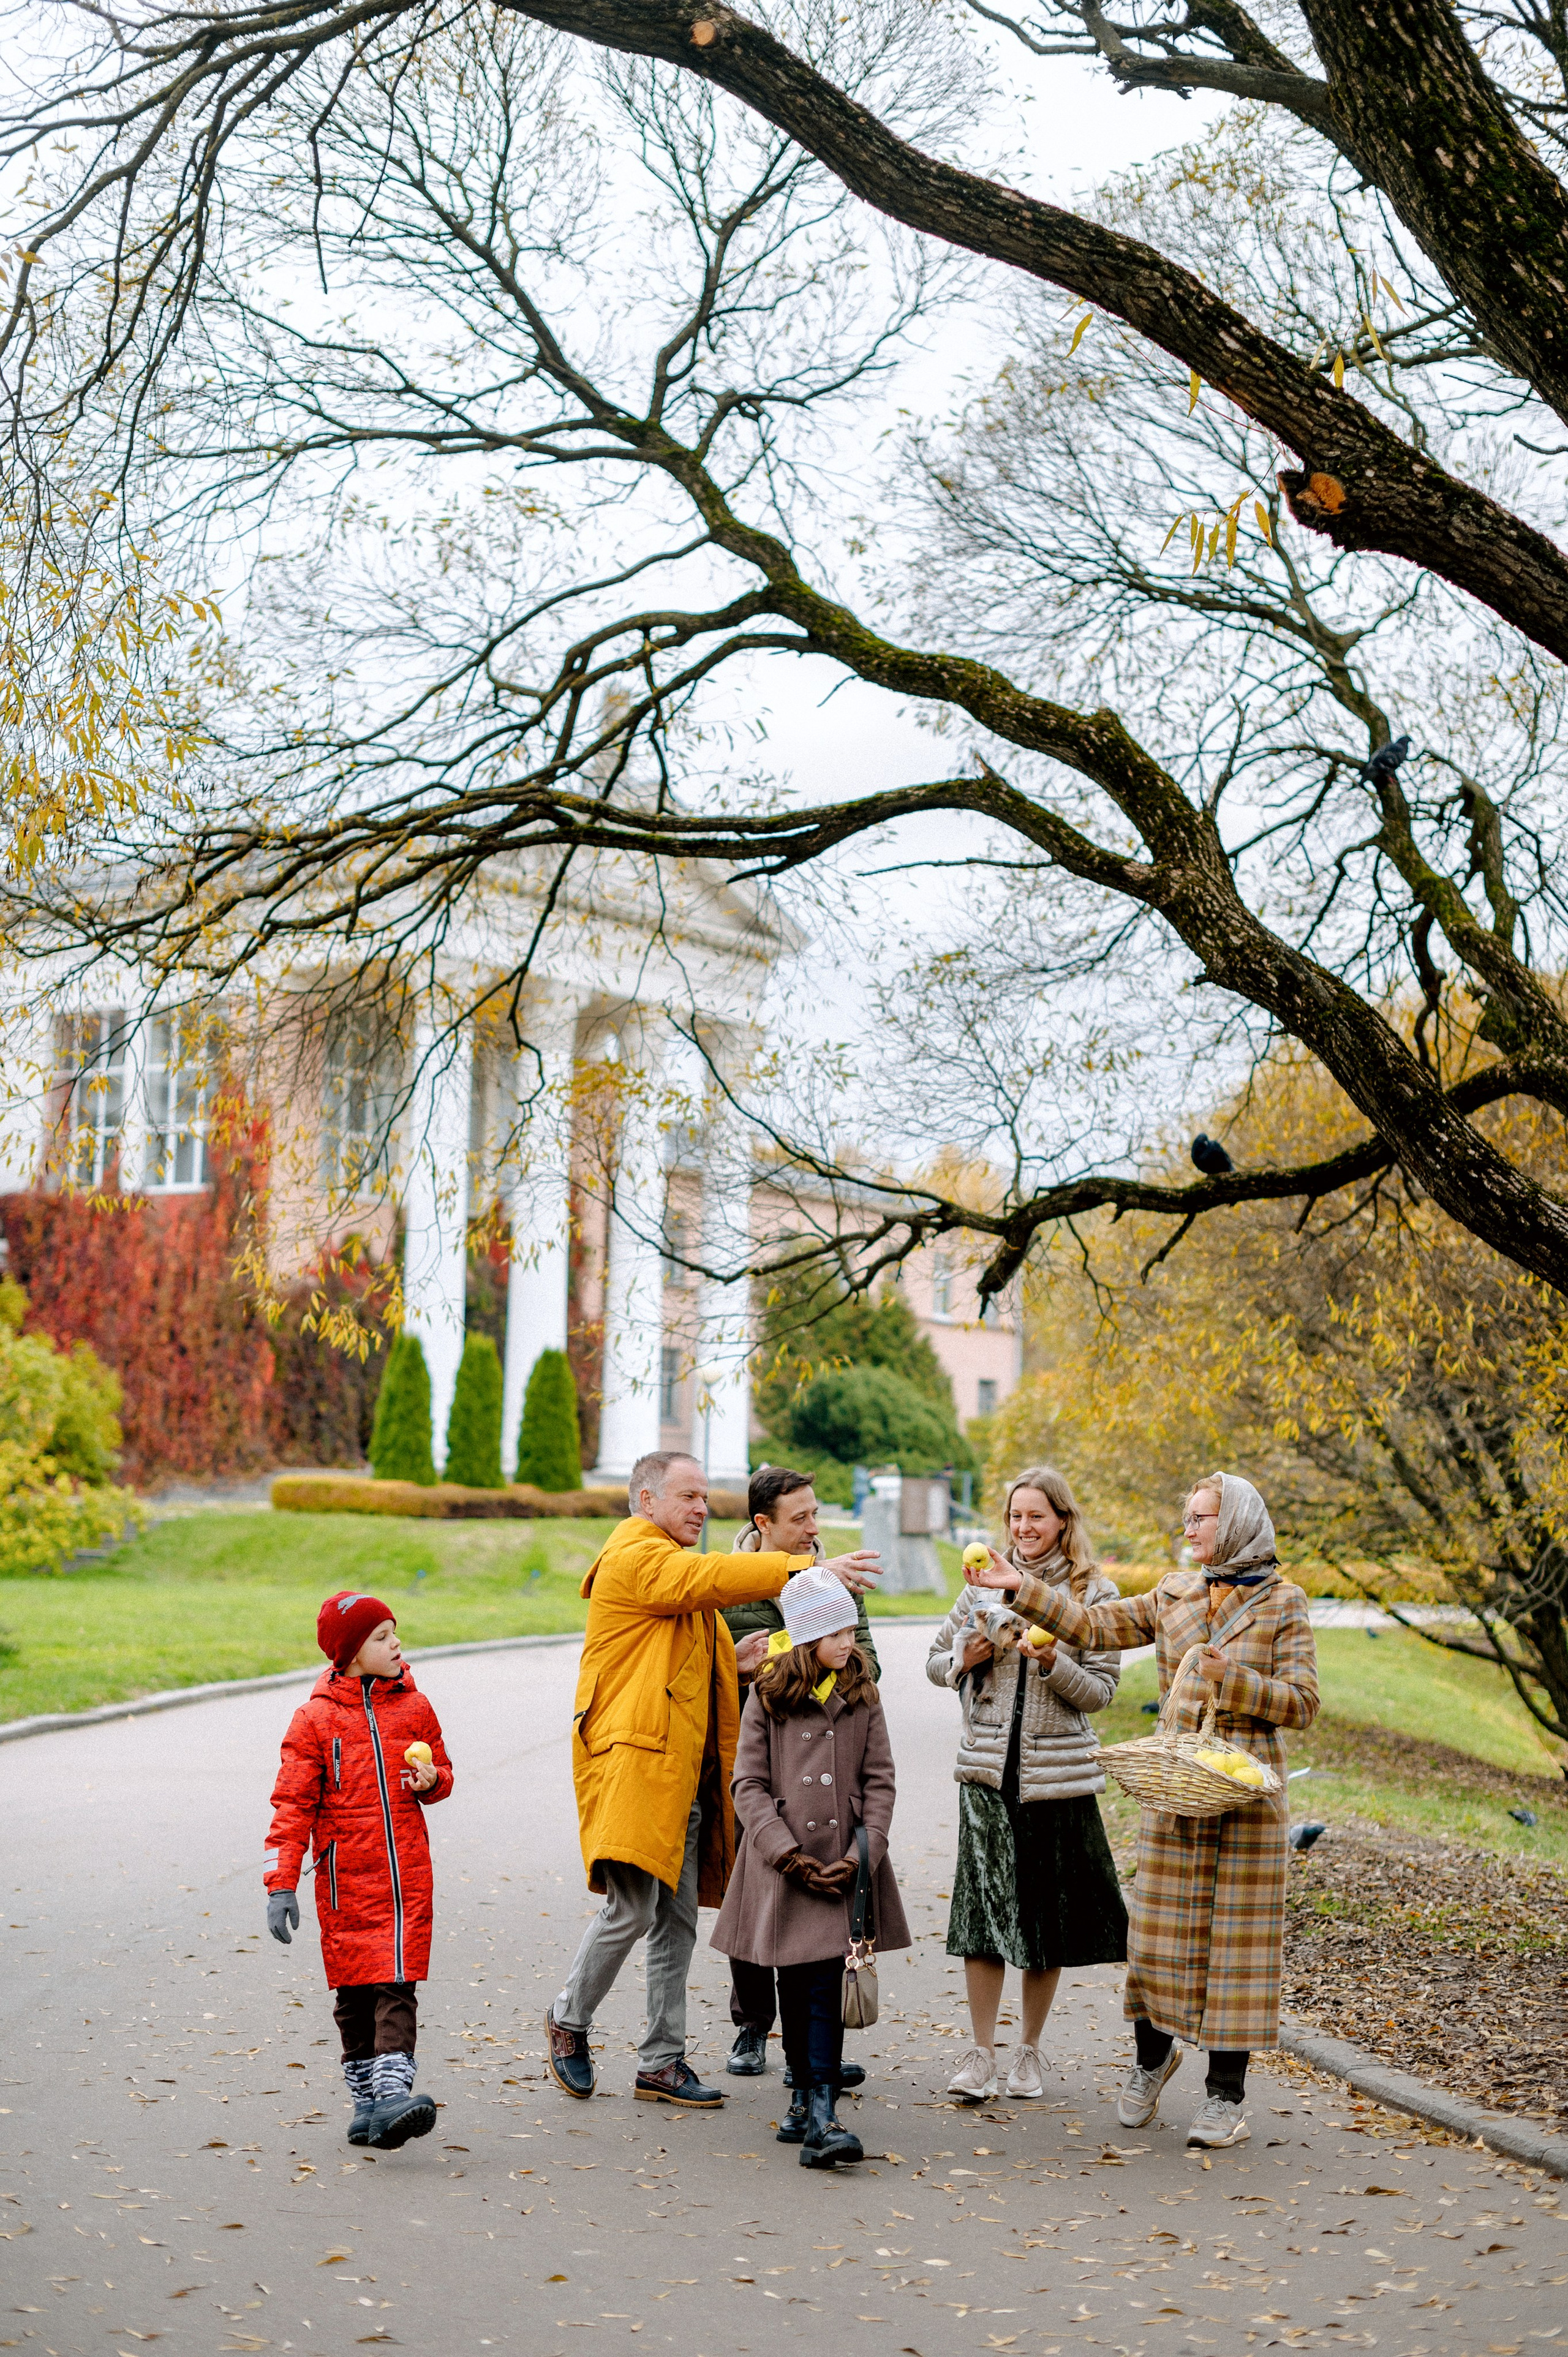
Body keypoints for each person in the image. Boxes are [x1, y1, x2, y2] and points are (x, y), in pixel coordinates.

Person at [971, 1468, 1317, 2149]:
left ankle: (1224, 2096)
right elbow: (1096, 1627)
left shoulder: (1285, 1602)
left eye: (1201, 1517)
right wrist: (1022, 1588)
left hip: (1245, 1796)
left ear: (1239, 1522)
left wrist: (1235, 1682)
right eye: (1186, 1516)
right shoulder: (1174, 1591)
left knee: (1237, 1952)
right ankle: (1151, 2059)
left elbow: (1303, 1703)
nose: (1188, 1528)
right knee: (1155, 1937)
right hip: (1175, 1790)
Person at [548, 1449, 880, 2110]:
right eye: (687, 1496)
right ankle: (568, 2017)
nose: (701, 1507)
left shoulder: (669, 1563)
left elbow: (669, 1661)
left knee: (675, 1922)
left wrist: (730, 1659)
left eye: (705, 1497)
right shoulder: (637, 1554)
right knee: (634, 1908)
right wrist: (805, 1566)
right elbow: (701, 1580)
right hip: (640, 1766)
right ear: (647, 1500)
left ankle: (660, 2061)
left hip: (687, 1772)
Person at [928, 1464, 1127, 2103]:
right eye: (1015, 1516)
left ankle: (1029, 2053)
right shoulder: (982, 1580)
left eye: (1036, 1516)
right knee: (981, 1917)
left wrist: (1052, 1661)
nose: (1023, 1527)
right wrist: (965, 1658)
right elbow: (935, 1660)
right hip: (986, 1772)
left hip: (1056, 1780)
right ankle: (980, 2053)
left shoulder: (1094, 1594)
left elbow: (1098, 1692)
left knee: (1043, 1924)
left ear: (1063, 1520)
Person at [712, 1564, 910, 2168]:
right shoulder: (768, 1697)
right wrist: (783, 1851)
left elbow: (880, 1780)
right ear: (804, 1637)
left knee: (825, 1984)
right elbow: (746, 1782)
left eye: (851, 1628)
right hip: (783, 1867)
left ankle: (823, 2112)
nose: (848, 1641)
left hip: (844, 1864)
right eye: (835, 1631)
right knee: (796, 1985)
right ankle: (804, 2093)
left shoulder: (861, 1695)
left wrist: (864, 1850)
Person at [265, 1591, 454, 2151]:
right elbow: (291, 1805)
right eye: (381, 1636)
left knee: (397, 1983)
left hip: (405, 1880)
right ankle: (368, 2105)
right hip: (345, 1882)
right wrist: (280, 1883)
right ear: (348, 1653)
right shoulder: (314, 1720)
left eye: (396, 1632)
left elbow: (442, 1771)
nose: (396, 1644)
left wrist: (432, 1782)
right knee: (353, 1996)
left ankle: (395, 2094)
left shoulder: (415, 1708)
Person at [721, 1461, 880, 2080]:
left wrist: (805, 1655)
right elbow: (714, 1667)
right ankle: (751, 2025)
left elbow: (868, 1667)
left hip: (826, 1768)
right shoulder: (726, 1585)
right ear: (762, 1523)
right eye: (800, 1517)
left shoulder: (837, 1582)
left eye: (816, 1512)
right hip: (755, 1770)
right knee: (753, 1901)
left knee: (822, 1903)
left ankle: (812, 2047)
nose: (815, 1528)